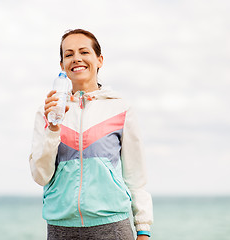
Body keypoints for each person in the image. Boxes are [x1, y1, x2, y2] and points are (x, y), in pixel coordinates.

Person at [29, 29, 153, 240]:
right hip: (61, 227)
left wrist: (143, 230)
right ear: (62, 66)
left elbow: (136, 176)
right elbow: (41, 176)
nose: (76, 58)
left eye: (84, 52)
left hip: (112, 226)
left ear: (99, 60)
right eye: (68, 54)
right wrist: (53, 128)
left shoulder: (120, 108)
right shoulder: (47, 111)